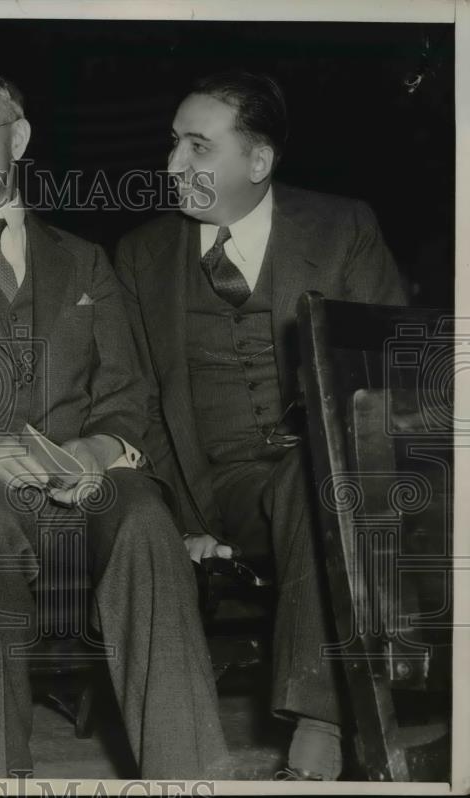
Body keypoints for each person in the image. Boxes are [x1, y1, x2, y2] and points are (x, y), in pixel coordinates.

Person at [0, 67, 227, 779]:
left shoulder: (85, 260)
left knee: (144, 518)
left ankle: (185, 776)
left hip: (79, 497)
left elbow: (126, 395)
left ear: (17, 137)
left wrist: (94, 448)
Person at [114, 70, 407, 780]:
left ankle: (317, 743)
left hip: (337, 473)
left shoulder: (343, 229)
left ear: (258, 161)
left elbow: (394, 373)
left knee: (327, 483)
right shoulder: (141, 257)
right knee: (321, 489)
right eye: (172, 146)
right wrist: (176, 516)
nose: (172, 167)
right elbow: (138, 402)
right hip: (222, 491)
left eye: (196, 148)